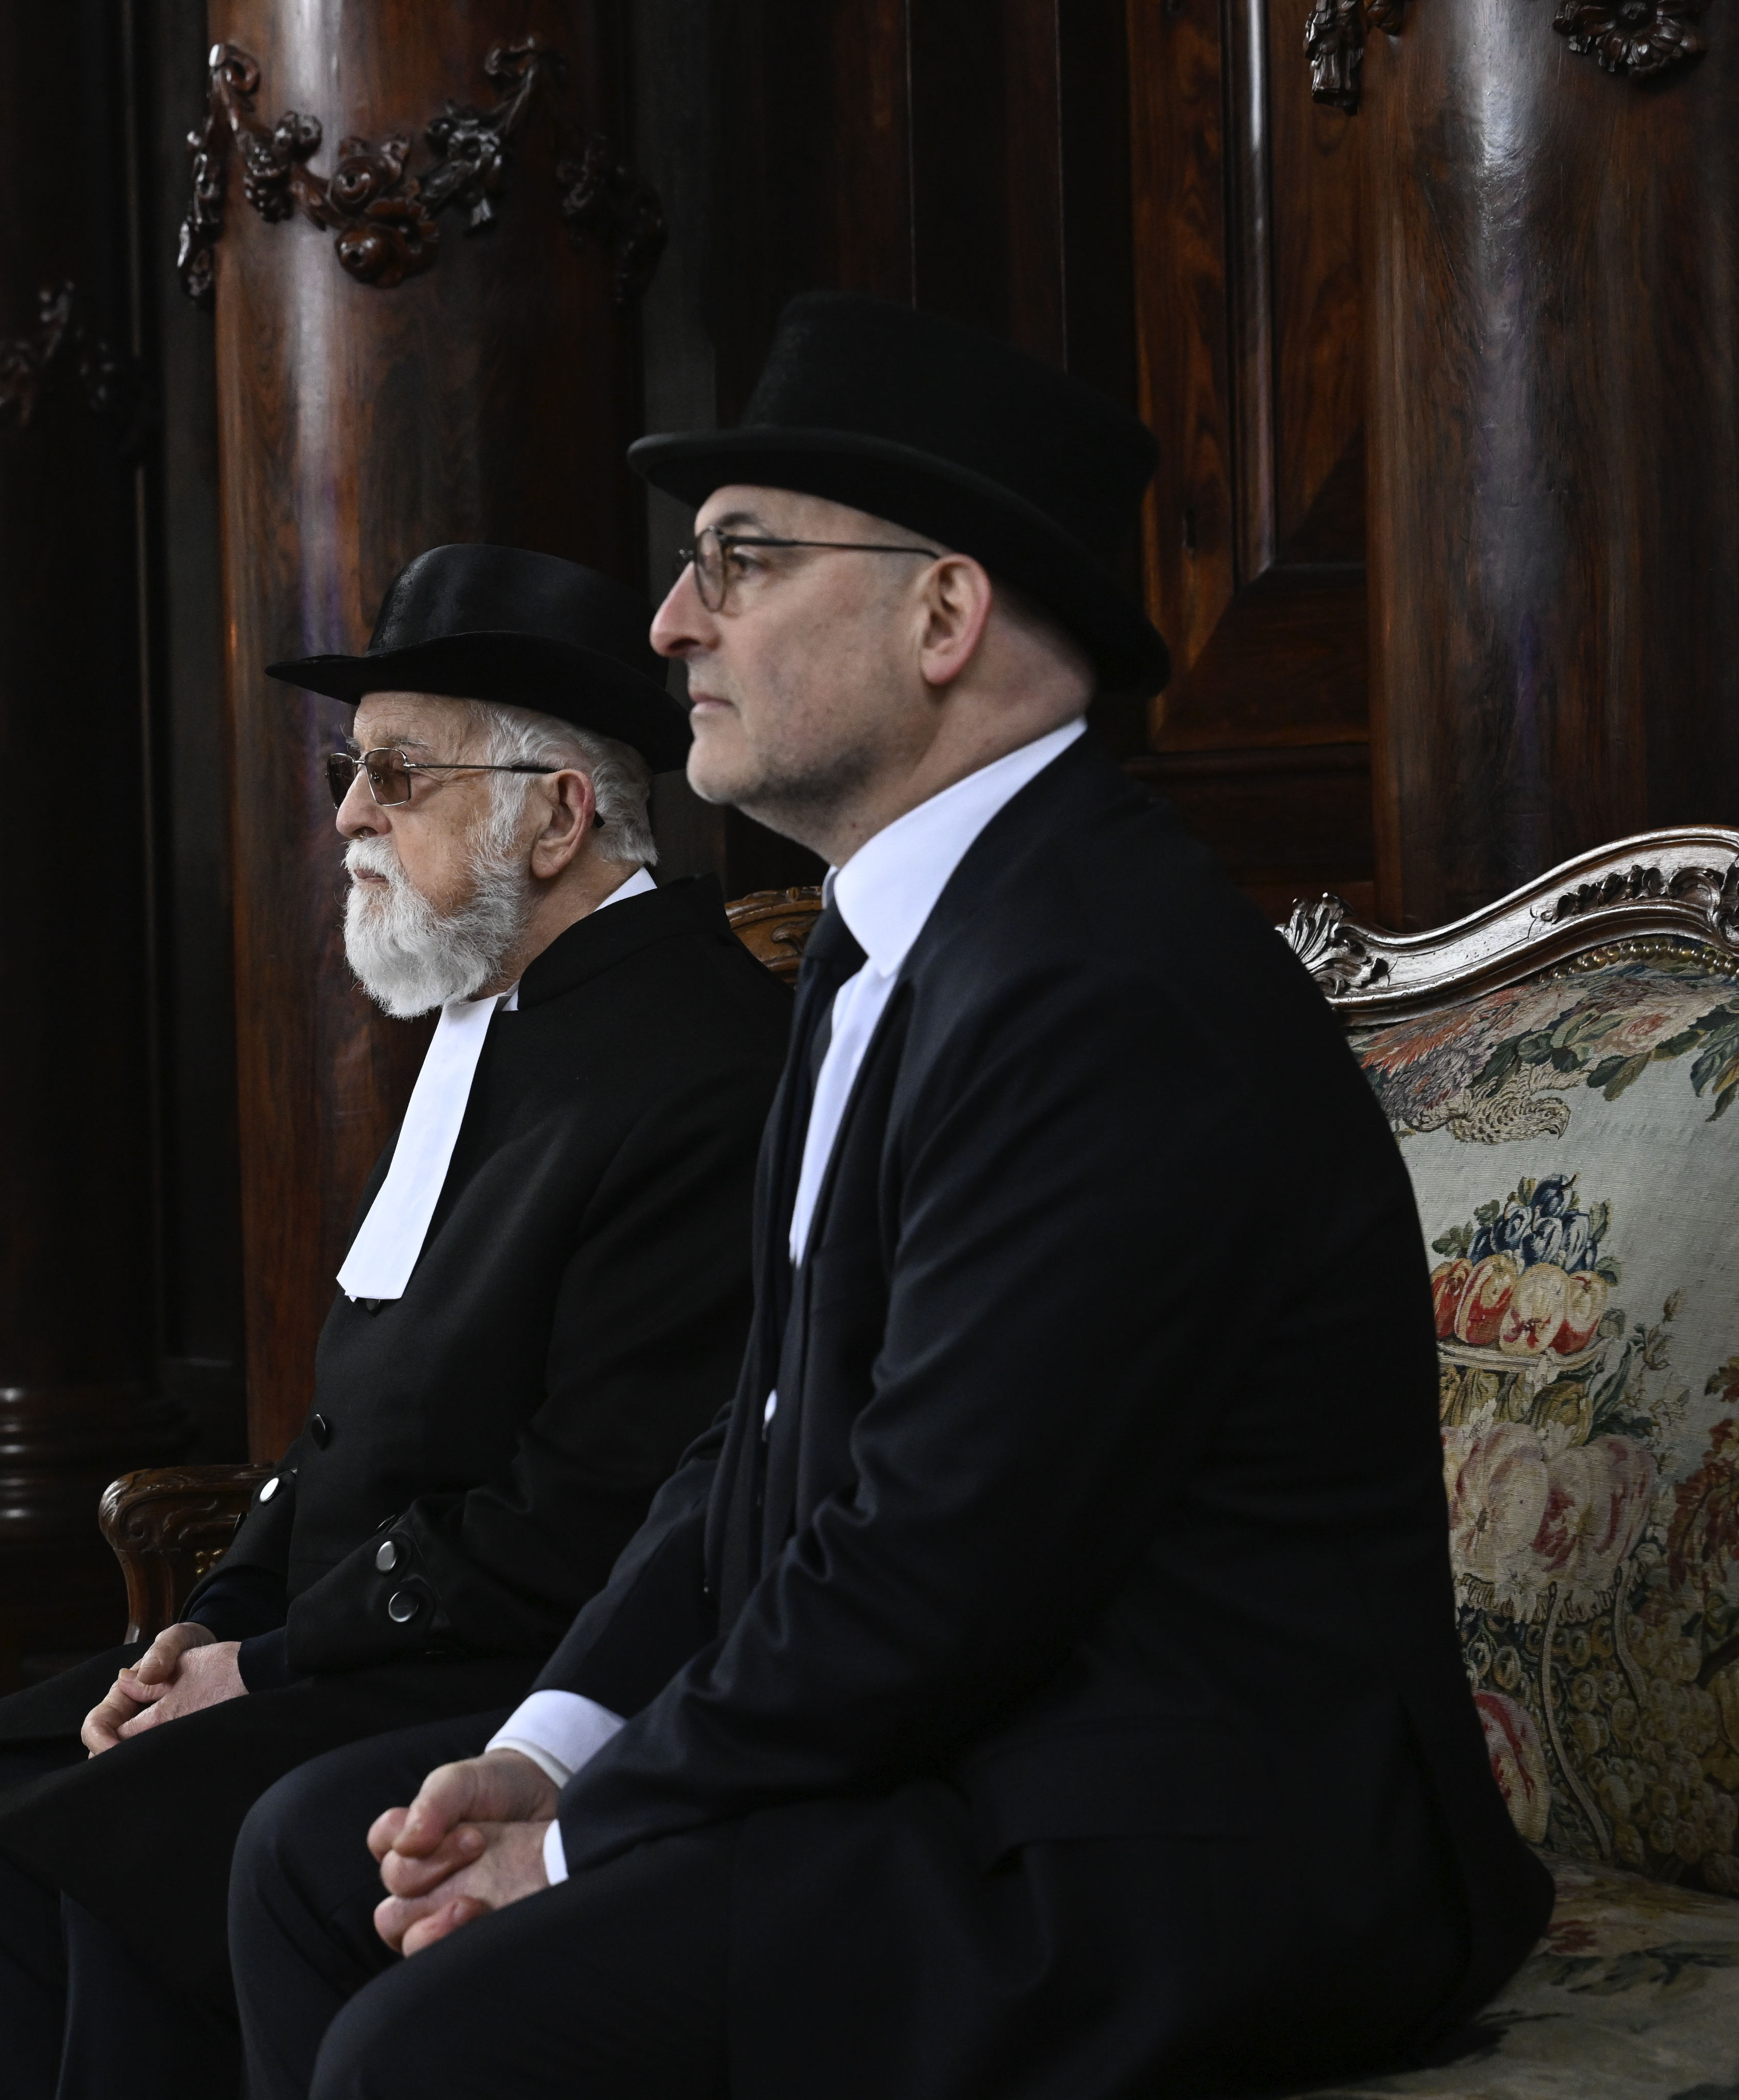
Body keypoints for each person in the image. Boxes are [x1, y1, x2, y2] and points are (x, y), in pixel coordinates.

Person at [227, 294, 1553, 2100]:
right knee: (309, 1858)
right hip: (967, 1755)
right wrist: (552, 1747)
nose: (670, 622)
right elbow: (756, 1443)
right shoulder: (886, 943)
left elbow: (938, 1561)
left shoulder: (1106, 985)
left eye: (741, 561)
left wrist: (588, 1837)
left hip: (1173, 1844)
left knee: (427, 2049)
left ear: (944, 615)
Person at [0, 542, 792, 2100]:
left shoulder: (702, 1066)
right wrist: (213, 1620)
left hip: (511, 1657)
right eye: (350, 771)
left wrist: (273, 1667)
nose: (349, 814)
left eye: (398, 775)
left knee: (110, 1845)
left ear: (557, 817)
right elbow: (351, 1419)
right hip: (358, 1632)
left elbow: (589, 1510)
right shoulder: (490, 1019)